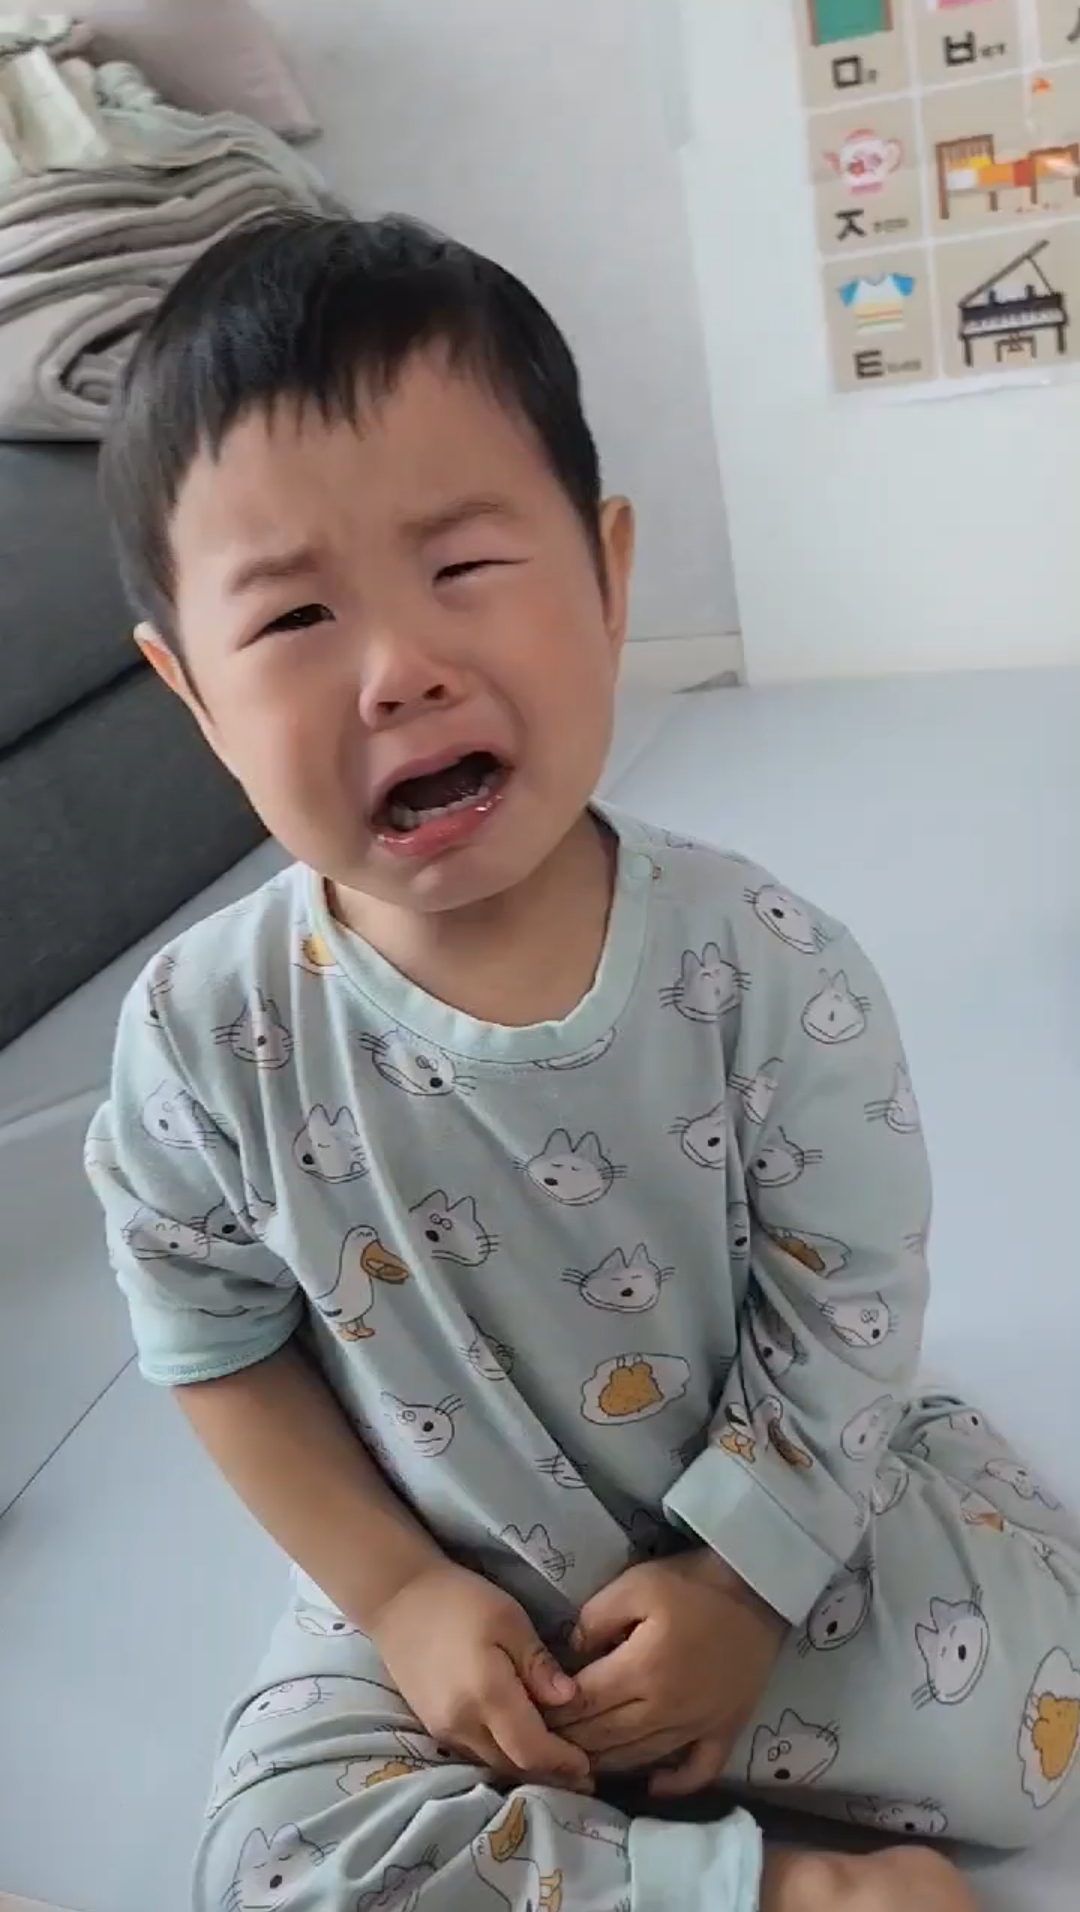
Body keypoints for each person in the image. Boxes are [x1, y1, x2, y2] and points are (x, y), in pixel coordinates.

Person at [86, 212, 1074, 1912]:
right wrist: (399, 1596)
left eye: (465, 569)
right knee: (271, 1863)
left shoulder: (765, 968)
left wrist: (743, 1586)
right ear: (192, 697)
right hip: (443, 1576)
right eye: (297, 614)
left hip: (760, 1518)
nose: (401, 669)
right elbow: (216, 1348)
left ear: (609, 579)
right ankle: (782, 1893)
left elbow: (845, 1300)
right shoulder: (200, 1034)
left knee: (1034, 1722)